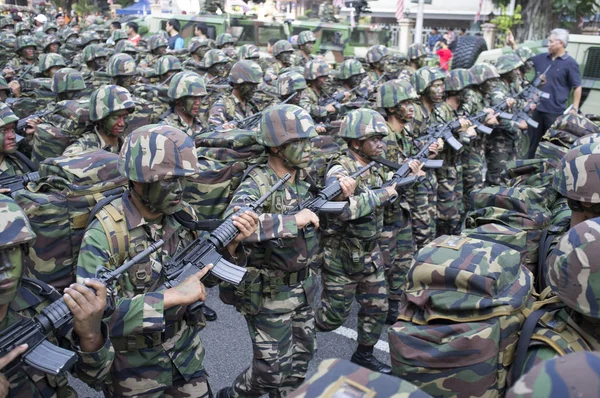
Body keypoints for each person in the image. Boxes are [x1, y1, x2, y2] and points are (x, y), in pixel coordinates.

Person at [76, 124, 258, 396]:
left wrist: (230, 248)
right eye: (168, 180)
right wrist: (170, 297)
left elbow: (201, 277)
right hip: (133, 371)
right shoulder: (105, 233)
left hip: (185, 354)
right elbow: (96, 317)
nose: (179, 189)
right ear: (138, 180)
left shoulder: (182, 214)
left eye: (182, 179)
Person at [217, 104, 323, 398]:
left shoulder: (303, 177)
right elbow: (233, 224)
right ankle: (233, 395)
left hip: (302, 288)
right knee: (269, 373)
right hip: (269, 293)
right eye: (298, 141)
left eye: (309, 140)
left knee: (300, 362)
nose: (308, 147)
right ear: (276, 147)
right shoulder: (258, 182)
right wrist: (291, 221)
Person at [0, 196, 115, 396]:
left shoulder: (37, 298)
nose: (5, 265)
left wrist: (90, 335)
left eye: (10, 249)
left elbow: (95, 376)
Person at [315, 109, 400, 374]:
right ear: (355, 143)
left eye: (381, 138)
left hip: (369, 253)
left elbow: (383, 204)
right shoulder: (340, 169)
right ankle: (298, 327)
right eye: (373, 139)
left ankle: (364, 354)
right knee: (332, 318)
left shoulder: (374, 167)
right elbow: (338, 210)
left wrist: (393, 190)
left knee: (377, 307)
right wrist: (383, 195)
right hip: (341, 255)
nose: (380, 144)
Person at [527, 28, 582, 159]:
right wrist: (513, 45)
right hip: (536, 109)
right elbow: (523, 60)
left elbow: (577, 87)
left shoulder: (570, 63)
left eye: (551, 41)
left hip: (555, 111)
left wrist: (575, 108)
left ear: (561, 43)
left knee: (551, 145)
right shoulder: (541, 58)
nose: (548, 44)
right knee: (532, 144)